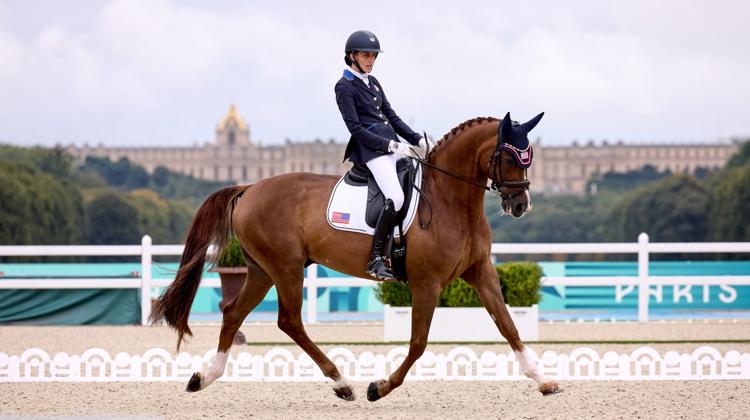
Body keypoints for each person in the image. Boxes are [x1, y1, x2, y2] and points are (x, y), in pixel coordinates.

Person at [334, 30, 430, 281]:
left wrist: (417, 139)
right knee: (396, 197)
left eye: (374, 56)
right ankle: (375, 258)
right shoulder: (344, 87)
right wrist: (390, 146)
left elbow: (393, 117)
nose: (371, 60)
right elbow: (355, 128)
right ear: (352, 56)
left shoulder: (373, 82)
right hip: (371, 152)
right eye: (366, 55)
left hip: (392, 146)